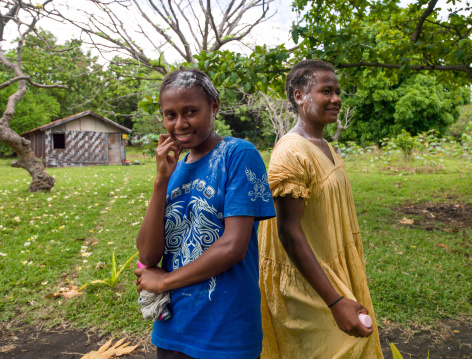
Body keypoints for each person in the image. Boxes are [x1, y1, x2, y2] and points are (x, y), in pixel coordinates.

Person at [135, 68, 275, 359]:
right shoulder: (173, 169)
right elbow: (148, 257)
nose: (180, 124)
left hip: (225, 331)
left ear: (214, 106)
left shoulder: (238, 154)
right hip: (173, 327)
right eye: (170, 115)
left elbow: (232, 247)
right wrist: (161, 181)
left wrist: (162, 282)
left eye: (190, 112)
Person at [258, 60, 384, 358]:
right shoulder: (291, 152)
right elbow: (287, 233)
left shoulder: (324, 145)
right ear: (299, 96)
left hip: (331, 270)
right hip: (306, 285)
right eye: (326, 91)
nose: (336, 99)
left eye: (337, 92)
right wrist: (335, 301)